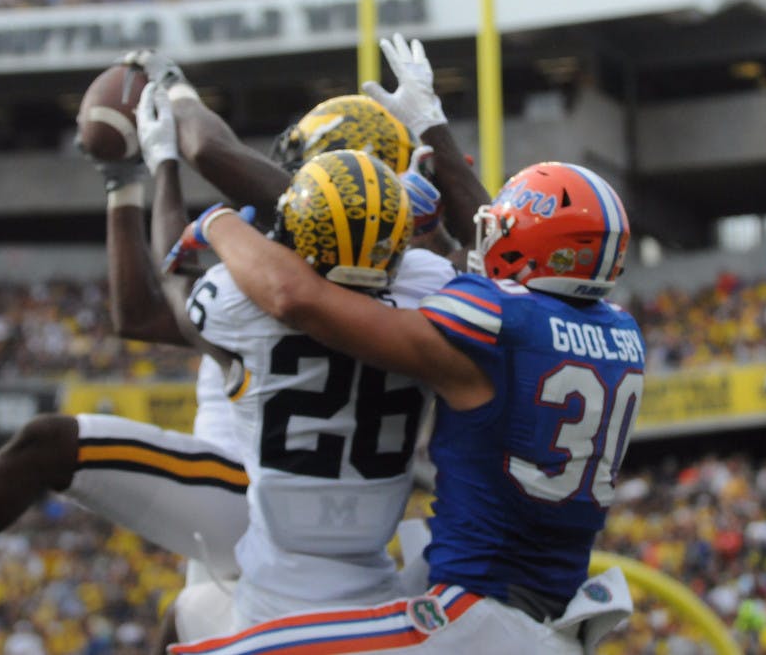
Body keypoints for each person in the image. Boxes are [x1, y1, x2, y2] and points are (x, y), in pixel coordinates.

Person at [0, 38, 485, 642]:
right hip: (344, 530)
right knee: (188, 617)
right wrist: (436, 133)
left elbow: (183, 240)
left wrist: (161, 151)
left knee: (51, 445)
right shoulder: (437, 287)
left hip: (255, 492)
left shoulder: (263, 285)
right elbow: (491, 250)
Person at [165, 157, 644, 653]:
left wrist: (216, 223)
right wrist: (428, 227)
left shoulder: (500, 323)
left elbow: (295, 296)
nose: (486, 243)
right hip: (545, 607)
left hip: (478, 615)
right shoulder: (619, 330)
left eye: (503, 230)